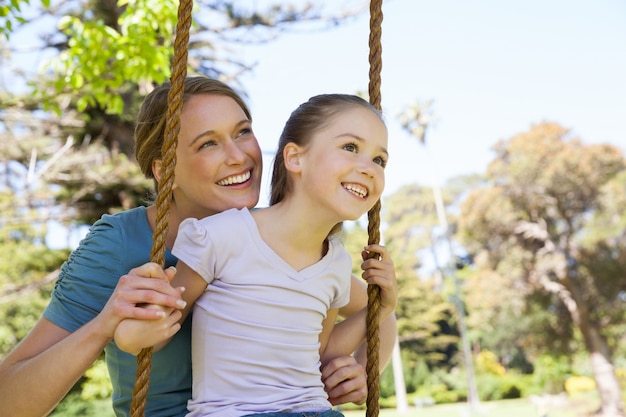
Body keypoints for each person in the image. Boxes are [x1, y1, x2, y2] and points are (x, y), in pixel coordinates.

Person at [0, 76, 397, 417]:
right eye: (208, 144)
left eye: (243, 132)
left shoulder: (273, 238)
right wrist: (105, 324)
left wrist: (361, 369)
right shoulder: (121, 243)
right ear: (164, 170)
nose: (238, 155)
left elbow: (372, 310)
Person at [115, 93, 397, 417]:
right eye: (350, 148)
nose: (369, 168)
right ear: (295, 158)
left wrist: (378, 309)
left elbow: (315, 355)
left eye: (380, 160)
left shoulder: (335, 263)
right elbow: (151, 332)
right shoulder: (224, 235)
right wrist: (131, 331)